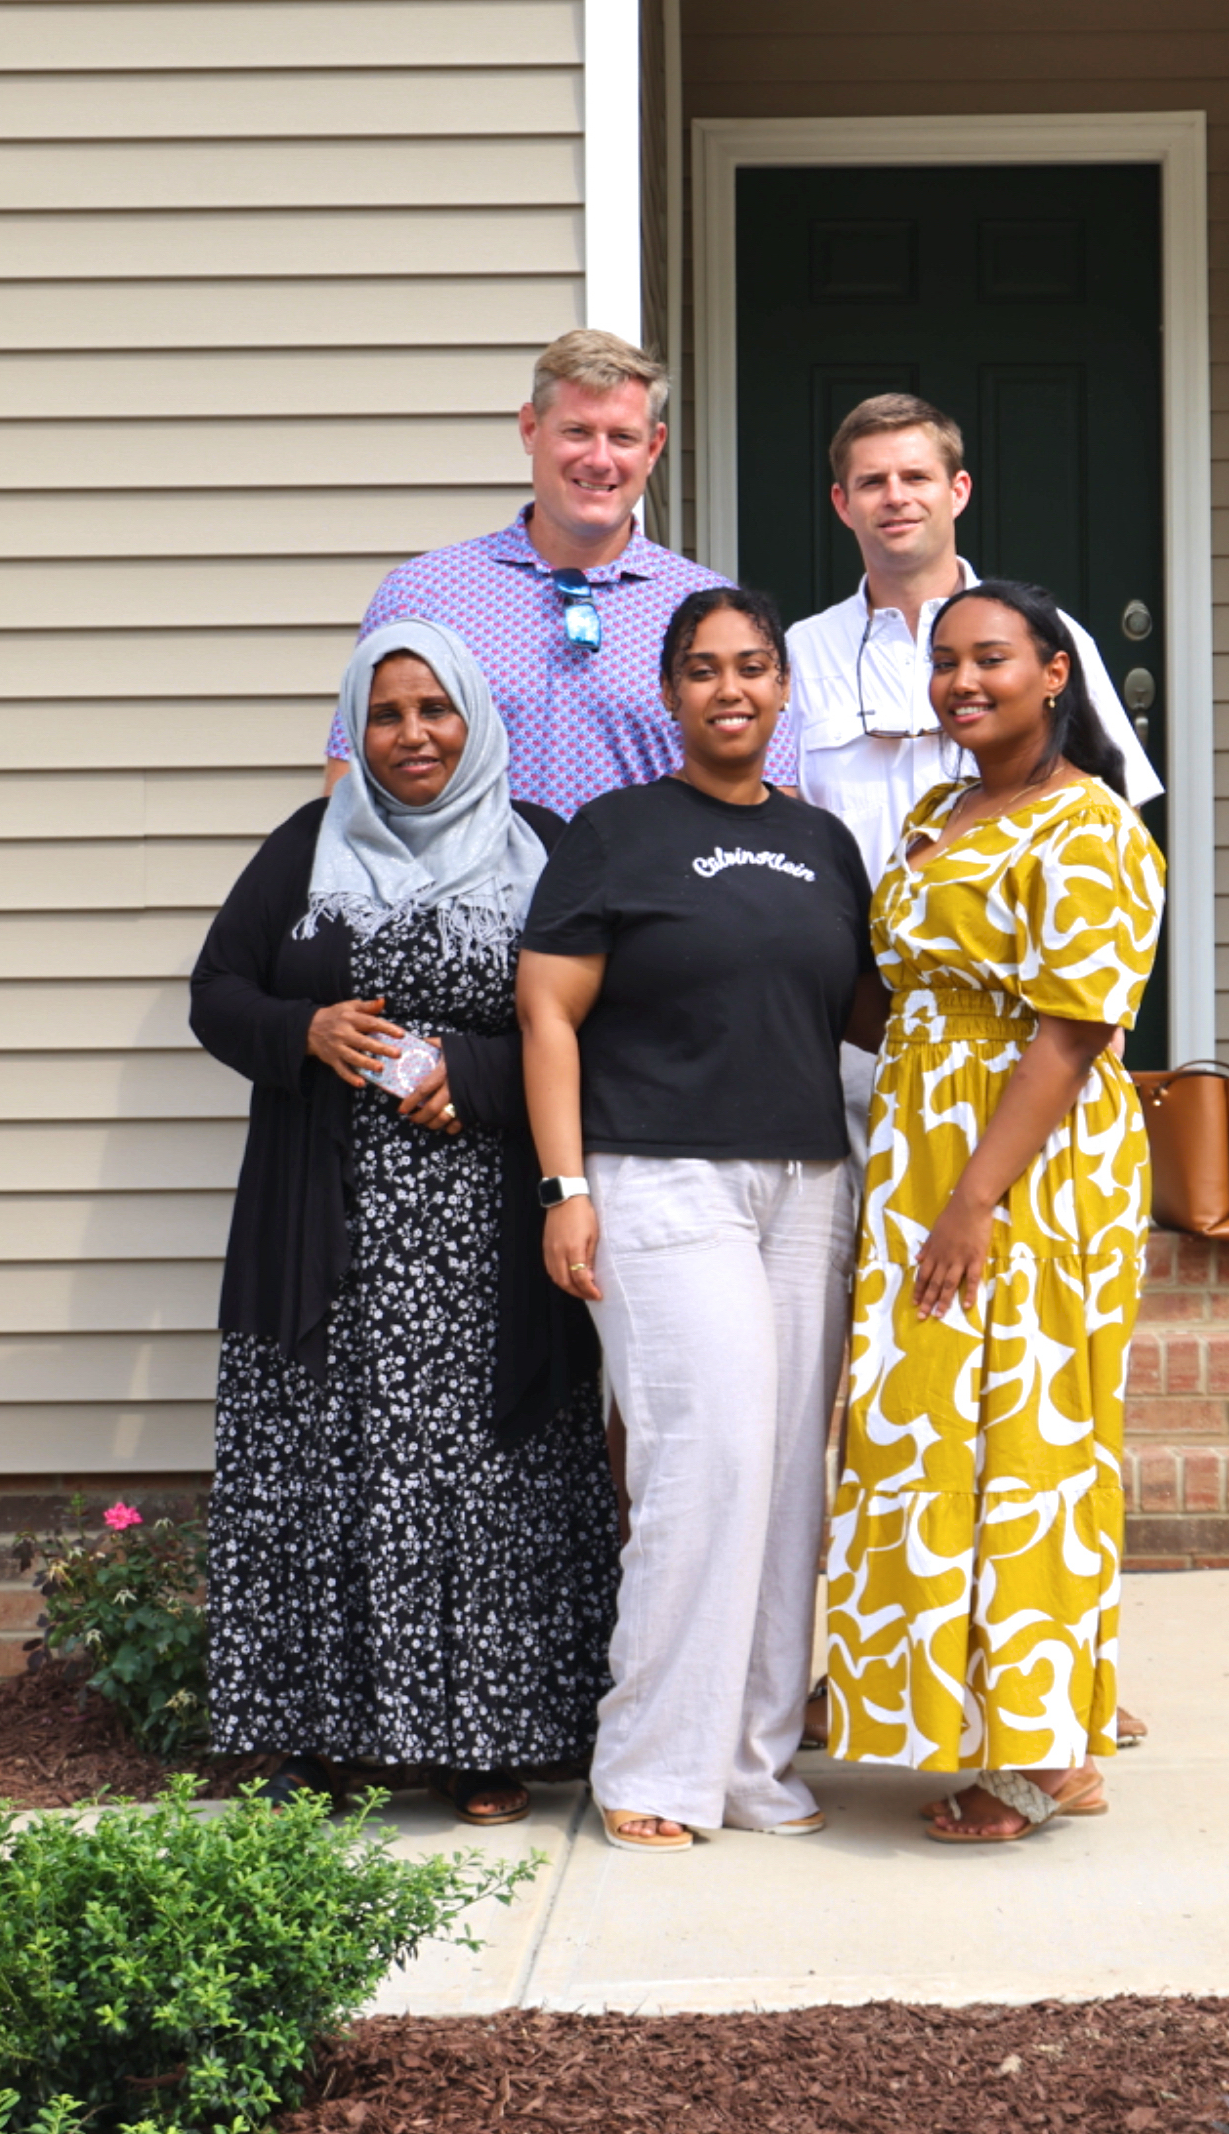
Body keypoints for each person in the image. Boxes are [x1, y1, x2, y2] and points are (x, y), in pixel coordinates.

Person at [190, 620, 616, 1825]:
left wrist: (470, 1082)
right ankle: (316, 1741)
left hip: (489, 1236)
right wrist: (305, 1032)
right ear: (357, 731)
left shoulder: (544, 849)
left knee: (489, 1476)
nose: (413, 735)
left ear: (476, 718)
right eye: (386, 715)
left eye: (435, 710)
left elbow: (591, 1022)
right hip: (322, 1237)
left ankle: (490, 1744)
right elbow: (217, 993)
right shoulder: (306, 847)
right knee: (326, 1473)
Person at [516, 587, 877, 1855]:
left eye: (754, 668)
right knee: (702, 1458)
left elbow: (865, 1016)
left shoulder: (827, 845)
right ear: (670, 695)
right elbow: (546, 1015)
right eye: (705, 670)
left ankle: (747, 1764)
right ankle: (653, 1768)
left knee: (784, 1474)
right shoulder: (612, 834)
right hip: (660, 1177)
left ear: (784, 691)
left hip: (806, 1184)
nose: (731, 689)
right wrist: (565, 1188)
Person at [817, 576, 1164, 1845]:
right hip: (921, 1146)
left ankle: (1046, 1756)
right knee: (925, 1441)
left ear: (1054, 675)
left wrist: (973, 1201)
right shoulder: (939, 810)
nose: (964, 682)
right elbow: (894, 994)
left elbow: (1072, 1037)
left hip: (1028, 1167)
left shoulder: (1093, 830)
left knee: (1031, 1447)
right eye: (946, 662)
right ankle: (949, 1712)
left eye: (992, 660)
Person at [332, 329, 796, 817]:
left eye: (622, 437)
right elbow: (351, 792)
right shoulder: (422, 596)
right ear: (531, 428)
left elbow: (767, 800)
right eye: (576, 432)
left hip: (651, 891)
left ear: (654, 447)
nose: (599, 460)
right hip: (470, 892)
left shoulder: (713, 611)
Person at [781, 391, 1158, 891]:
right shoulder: (800, 652)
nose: (896, 496)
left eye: (916, 477)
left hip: (1008, 955)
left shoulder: (1044, 633)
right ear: (842, 504)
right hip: (850, 955)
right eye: (872, 482)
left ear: (957, 491)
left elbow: (1116, 806)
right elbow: (776, 819)